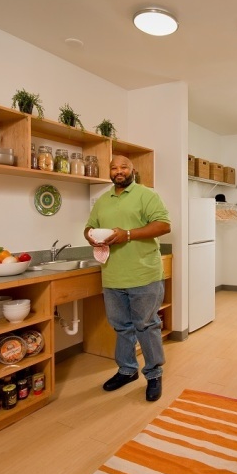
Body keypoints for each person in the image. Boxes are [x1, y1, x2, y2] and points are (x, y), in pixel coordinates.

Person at [84, 155, 171, 402]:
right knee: (122, 327)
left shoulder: (146, 195)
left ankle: (154, 374)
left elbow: (164, 225)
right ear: (109, 172)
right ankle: (127, 370)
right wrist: (90, 236)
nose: (118, 171)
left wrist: (129, 235)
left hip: (144, 274)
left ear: (133, 170)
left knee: (146, 325)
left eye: (123, 167)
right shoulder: (102, 200)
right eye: (114, 167)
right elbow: (89, 226)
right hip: (112, 275)